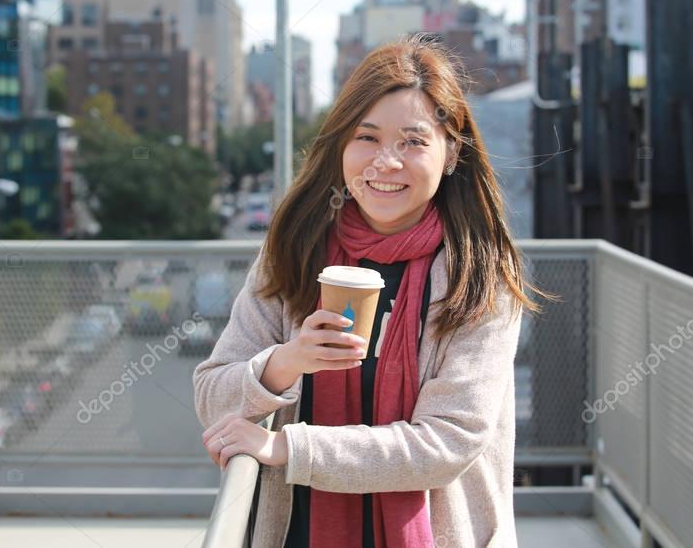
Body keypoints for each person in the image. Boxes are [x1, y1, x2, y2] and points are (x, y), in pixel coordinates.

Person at [193, 34, 537, 547]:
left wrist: (286, 446)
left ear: (450, 154)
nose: (385, 162)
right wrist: (288, 360)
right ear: (341, 146)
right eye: (367, 137)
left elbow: (450, 440)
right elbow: (213, 396)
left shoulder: (478, 271)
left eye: (413, 141)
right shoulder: (295, 248)